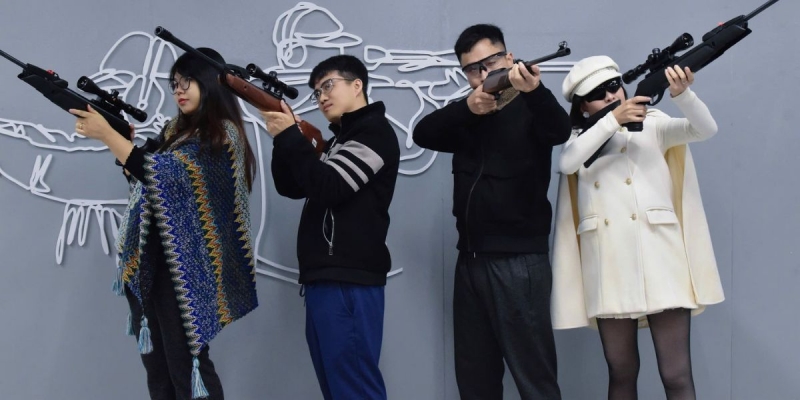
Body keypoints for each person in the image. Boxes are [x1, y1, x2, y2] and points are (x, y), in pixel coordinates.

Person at [70, 47, 259, 400]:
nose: (179, 90)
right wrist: (123, 143)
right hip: (153, 262)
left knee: (187, 370)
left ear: (211, 82)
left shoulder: (223, 135)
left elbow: (165, 176)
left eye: (188, 81)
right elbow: (146, 180)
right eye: (174, 83)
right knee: (159, 374)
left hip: (187, 268)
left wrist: (109, 137)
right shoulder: (174, 131)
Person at [551, 55, 725, 399]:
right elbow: (567, 162)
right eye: (598, 94)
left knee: (676, 373)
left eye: (614, 86)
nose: (611, 95)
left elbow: (705, 130)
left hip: (661, 257)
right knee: (621, 371)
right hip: (609, 263)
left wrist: (683, 95)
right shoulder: (580, 138)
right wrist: (612, 120)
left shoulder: (654, 123)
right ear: (583, 107)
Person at [413, 23, 571, 400]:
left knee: (535, 380)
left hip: (519, 262)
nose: (483, 73)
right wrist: (468, 109)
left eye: (491, 62)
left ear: (509, 57)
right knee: (475, 381)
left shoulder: (532, 103)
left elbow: (560, 130)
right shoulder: (469, 112)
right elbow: (423, 133)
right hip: (469, 260)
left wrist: (535, 91)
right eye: (473, 69)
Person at [260, 54, 400, 400]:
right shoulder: (340, 139)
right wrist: (284, 138)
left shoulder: (373, 132)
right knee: (338, 386)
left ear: (357, 85)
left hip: (348, 279)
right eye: (317, 91)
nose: (321, 96)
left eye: (328, 85)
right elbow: (292, 186)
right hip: (327, 277)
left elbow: (329, 188)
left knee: (354, 388)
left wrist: (291, 137)